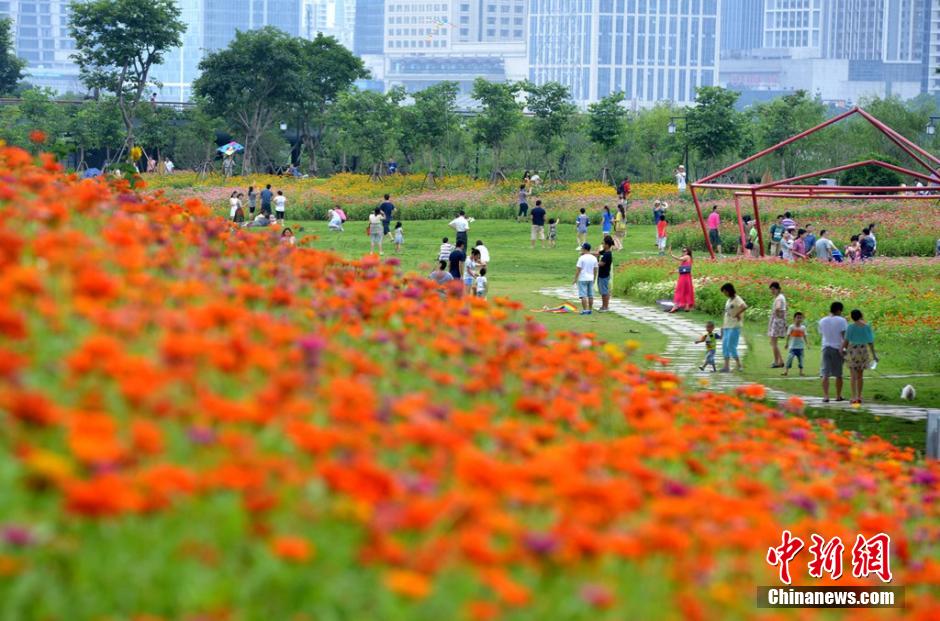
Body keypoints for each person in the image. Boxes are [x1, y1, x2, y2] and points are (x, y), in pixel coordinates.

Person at [844, 309, 877, 406]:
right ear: (861, 315)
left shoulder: (850, 327)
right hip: (863, 350)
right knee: (860, 376)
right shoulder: (866, 327)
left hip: (853, 350)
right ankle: (859, 396)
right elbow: (870, 342)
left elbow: (846, 341)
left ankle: (853, 397)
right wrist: (874, 355)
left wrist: (843, 350)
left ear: (852, 317)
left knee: (853, 375)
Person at [818, 301, 848, 403]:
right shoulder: (842, 320)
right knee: (838, 374)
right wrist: (845, 349)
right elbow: (844, 336)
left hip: (826, 347)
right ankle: (838, 395)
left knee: (825, 373)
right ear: (839, 310)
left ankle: (826, 396)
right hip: (838, 348)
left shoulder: (822, 320)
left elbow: (822, 334)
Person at [719, 283, 747, 372]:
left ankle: (739, 364)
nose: (724, 294)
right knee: (725, 346)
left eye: (725, 292)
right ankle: (726, 366)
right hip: (727, 325)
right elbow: (726, 312)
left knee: (731, 345)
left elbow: (744, 306)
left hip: (734, 326)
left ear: (729, 291)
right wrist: (722, 326)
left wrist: (737, 314)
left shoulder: (737, 299)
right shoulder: (728, 300)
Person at [573, 243, 598, 315]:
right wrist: (594, 278)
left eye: (582, 248)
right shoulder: (594, 258)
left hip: (583, 278)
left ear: (584, 249)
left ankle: (585, 310)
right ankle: (590, 309)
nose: (581, 249)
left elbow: (578, 269)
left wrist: (575, 279)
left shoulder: (581, 258)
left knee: (583, 295)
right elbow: (595, 269)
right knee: (590, 295)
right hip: (591, 278)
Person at [767, 282, 788, 368]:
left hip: (777, 321)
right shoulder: (781, 297)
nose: (772, 291)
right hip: (779, 321)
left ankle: (776, 362)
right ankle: (781, 361)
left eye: (773, 289)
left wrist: (777, 313)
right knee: (773, 342)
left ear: (778, 289)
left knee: (774, 343)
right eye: (771, 289)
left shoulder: (779, 298)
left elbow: (778, 307)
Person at [669, 247, 694, 313]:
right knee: (687, 291)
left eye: (685, 251)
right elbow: (682, 269)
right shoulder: (688, 258)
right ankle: (687, 306)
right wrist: (674, 271)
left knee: (679, 290)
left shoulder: (687, 257)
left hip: (683, 278)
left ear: (688, 252)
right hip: (687, 277)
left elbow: (679, 259)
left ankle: (675, 306)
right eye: (683, 251)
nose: (683, 252)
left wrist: (671, 254)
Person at [782, 312, 807, 377]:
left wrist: (807, 343)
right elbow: (788, 335)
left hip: (801, 347)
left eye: (800, 318)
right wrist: (786, 343)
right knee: (789, 359)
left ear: (802, 319)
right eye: (798, 318)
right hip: (792, 347)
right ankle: (786, 371)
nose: (799, 319)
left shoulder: (803, 327)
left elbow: (804, 336)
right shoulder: (791, 327)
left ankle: (801, 372)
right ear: (794, 318)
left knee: (801, 360)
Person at [596, 236, 614, 312]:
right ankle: (603, 306)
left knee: (605, 292)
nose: (602, 245)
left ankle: (605, 307)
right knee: (602, 291)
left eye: (603, 243)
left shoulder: (608, 254)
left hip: (604, 275)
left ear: (607, 245)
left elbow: (602, 264)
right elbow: (597, 253)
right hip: (601, 274)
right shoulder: (605, 252)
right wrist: (586, 253)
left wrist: (594, 263)